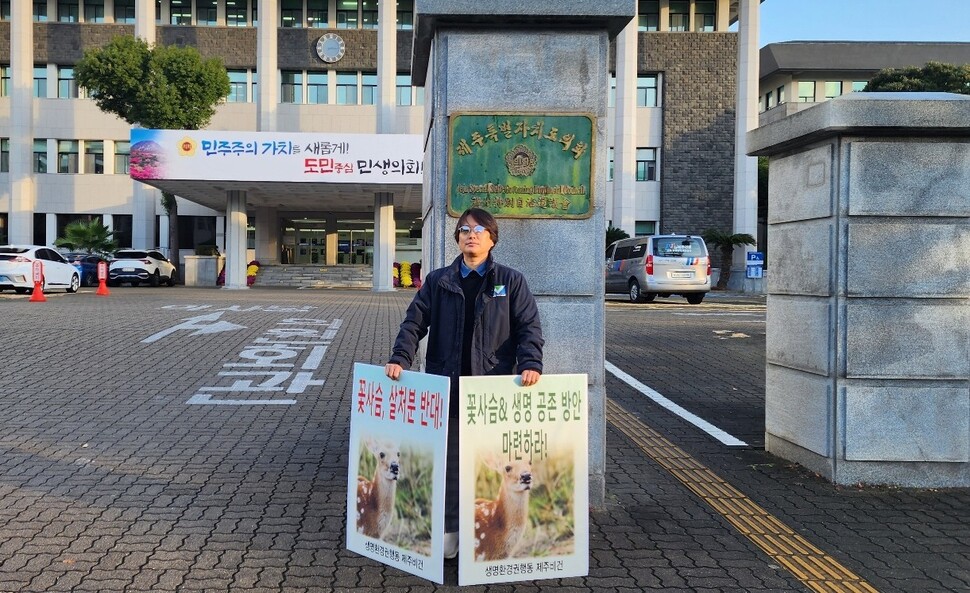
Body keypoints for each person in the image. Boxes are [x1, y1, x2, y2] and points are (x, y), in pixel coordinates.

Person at [384, 207, 544, 559]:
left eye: (479, 229)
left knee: (487, 466)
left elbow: (528, 328)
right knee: (451, 465)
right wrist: (400, 359)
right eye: (464, 229)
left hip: (491, 391)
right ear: (457, 237)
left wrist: (531, 364)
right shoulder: (439, 280)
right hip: (449, 389)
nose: (471, 234)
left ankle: (491, 534)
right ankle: (452, 532)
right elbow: (414, 323)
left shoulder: (511, 280)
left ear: (492, 238)